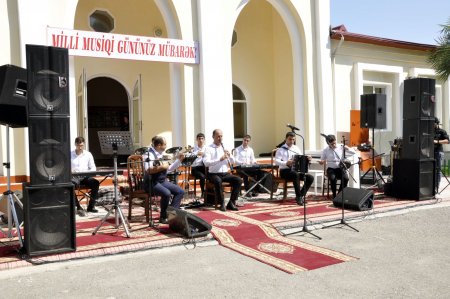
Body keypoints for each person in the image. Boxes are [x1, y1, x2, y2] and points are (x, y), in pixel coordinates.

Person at [143, 136, 184, 224]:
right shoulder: (148, 154)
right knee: (166, 193)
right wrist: (162, 167)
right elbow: (148, 169)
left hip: (161, 181)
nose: (166, 146)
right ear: (158, 145)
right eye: (164, 144)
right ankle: (163, 217)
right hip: (151, 182)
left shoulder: (161, 154)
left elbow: (169, 169)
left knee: (180, 191)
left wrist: (179, 160)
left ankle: (172, 215)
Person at [203, 129, 242, 211]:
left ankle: (231, 202)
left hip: (225, 173)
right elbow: (206, 163)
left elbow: (233, 161)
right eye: (218, 136)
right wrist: (219, 159)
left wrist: (230, 156)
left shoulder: (224, 147)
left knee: (238, 180)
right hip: (213, 174)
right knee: (217, 180)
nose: (220, 138)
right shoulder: (208, 148)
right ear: (213, 137)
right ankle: (221, 203)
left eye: (221, 136)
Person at [275, 131, 314, 205]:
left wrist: (308, 159)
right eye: (290, 139)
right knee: (295, 174)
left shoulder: (296, 148)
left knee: (310, 177)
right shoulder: (281, 149)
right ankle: (298, 197)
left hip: (295, 171)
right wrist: (286, 162)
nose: (292, 141)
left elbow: (301, 158)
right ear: (286, 139)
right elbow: (276, 161)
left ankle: (301, 195)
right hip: (284, 171)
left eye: (293, 139)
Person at [319, 134, 356, 199]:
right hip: (331, 169)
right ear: (328, 143)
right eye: (332, 144)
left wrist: (348, 148)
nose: (334, 145)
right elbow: (322, 160)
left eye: (335, 143)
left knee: (346, 178)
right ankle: (334, 195)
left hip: (340, 168)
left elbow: (353, 152)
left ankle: (339, 194)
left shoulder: (341, 146)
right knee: (333, 179)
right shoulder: (325, 150)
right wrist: (321, 162)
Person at [71, 136, 100, 215]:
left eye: (81, 145)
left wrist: (87, 172)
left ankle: (91, 206)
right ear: (75, 144)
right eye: (78, 145)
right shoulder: (70, 154)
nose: (80, 147)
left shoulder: (88, 154)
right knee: (70, 185)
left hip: (85, 176)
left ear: (84, 145)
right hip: (74, 177)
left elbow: (93, 167)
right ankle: (78, 206)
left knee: (96, 183)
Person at [434, 117, 449, 193]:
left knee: (438, 170)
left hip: (438, 152)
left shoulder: (442, 131)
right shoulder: (429, 131)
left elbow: (447, 141)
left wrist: (437, 141)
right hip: (429, 153)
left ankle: (436, 187)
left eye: (433, 123)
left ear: (437, 123)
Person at [190, 133, 207, 197]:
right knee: (202, 176)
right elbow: (190, 157)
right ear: (197, 140)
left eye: (202, 139)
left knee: (212, 175)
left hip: (204, 167)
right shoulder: (193, 148)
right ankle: (203, 192)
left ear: (204, 140)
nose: (201, 140)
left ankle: (211, 192)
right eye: (199, 139)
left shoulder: (207, 148)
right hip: (195, 168)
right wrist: (196, 153)